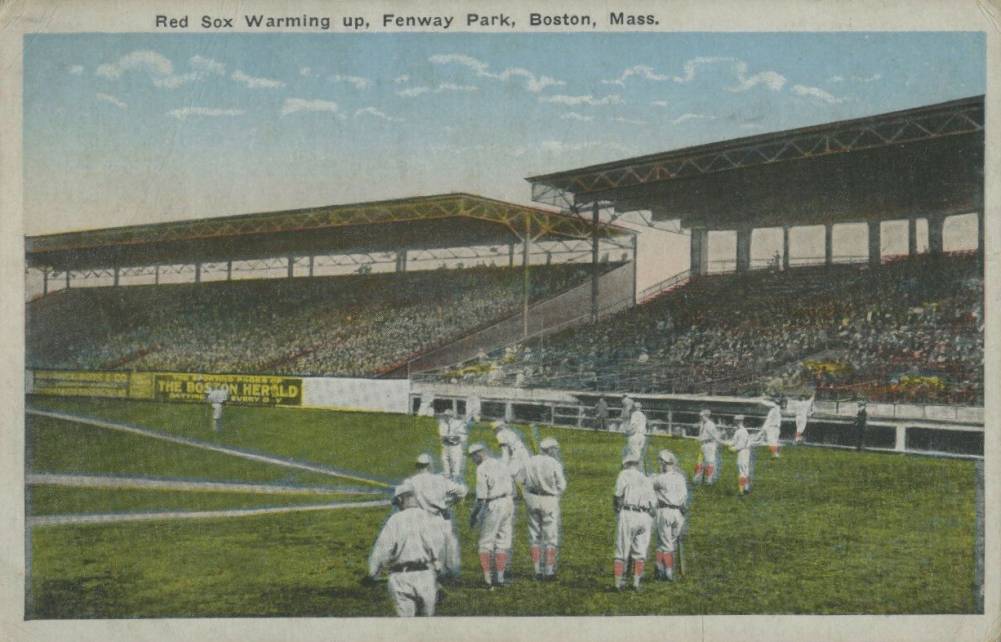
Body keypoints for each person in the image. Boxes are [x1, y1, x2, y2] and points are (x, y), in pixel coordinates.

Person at [365, 481, 444, 617]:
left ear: (401, 499)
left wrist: (372, 574)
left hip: (400, 578)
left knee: (406, 628)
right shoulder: (429, 518)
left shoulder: (395, 520)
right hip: (426, 576)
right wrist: (437, 572)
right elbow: (437, 548)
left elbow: (381, 550)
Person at [405, 453, 467, 579]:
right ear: (429, 465)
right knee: (448, 546)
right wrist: (455, 500)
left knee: (427, 549)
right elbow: (462, 490)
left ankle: (433, 574)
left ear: (417, 466)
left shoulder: (411, 482)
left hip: (423, 519)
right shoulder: (440, 480)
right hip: (442, 517)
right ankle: (449, 574)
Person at [468, 442, 515, 588]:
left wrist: (473, 515)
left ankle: (487, 580)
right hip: (508, 502)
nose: (472, 460)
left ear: (479, 454)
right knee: (503, 541)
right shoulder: (500, 463)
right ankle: (500, 579)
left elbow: (481, 498)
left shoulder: (481, 468)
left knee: (485, 542)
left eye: (472, 457)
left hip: (494, 504)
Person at [522, 437, 567, 581]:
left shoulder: (530, 461)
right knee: (550, 538)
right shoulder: (554, 463)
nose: (557, 451)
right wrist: (555, 493)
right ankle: (548, 571)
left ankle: (537, 570)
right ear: (551, 449)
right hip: (549, 499)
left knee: (534, 535)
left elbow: (522, 480)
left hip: (532, 499)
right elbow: (562, 485)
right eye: (555, 448)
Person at [612, 454, 656, 591]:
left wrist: (617, 510)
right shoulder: (646, 478)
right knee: (640, 552)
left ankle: (618, 583)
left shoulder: (624, 474)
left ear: (626, 464)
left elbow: (617, 495)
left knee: (621, 551)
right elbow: (653, 504)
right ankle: (636, 583)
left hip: (628, 513)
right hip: (645, 516)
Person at [650, 450, 688, 581]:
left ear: (664, 463)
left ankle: (668, 573)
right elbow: (684, 497)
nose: (659, 464)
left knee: (666, 544)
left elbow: (648, 487)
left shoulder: (659, 478)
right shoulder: (680, 477)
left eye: (661, 462)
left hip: (664, 512)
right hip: (678, 513)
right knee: (666, 541)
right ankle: (659, 567)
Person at [727, 415, 762, 496]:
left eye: (735, 421)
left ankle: (742, 490)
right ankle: (745, 489)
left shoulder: (742, 431)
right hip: (744, 452)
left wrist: (733, 449)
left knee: (742, 471)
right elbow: (734, 441)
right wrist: (728, 444)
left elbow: (741, 444)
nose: (734, 422)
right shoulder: (739, 431)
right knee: (745, 471)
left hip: (743, 452)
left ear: (738, 421)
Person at [493, 420, 531, 485]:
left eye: (494, 429)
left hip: (516, 455)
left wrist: (504, 463)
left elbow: (505, 451)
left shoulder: (500, 434)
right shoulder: (511, 432)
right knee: (526, 473)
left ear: (498, 428)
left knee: (510, 473)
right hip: (524, 452)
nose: (494, 431)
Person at [693, 409, 723, 485]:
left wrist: (703, 438)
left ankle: (709, 480)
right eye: (700, 416)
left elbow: (715, 436)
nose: (700, 417)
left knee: (710, 463)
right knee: (699, 462)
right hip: (703, 445)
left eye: (701, 416)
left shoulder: (710, 424)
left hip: (709, 445)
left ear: (706, 416)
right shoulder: (703, 424)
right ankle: (697, 479)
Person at [437, 409, 467, 482]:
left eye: (447, 416)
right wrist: (448, 437)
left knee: (455, 463)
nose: (445, 417)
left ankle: (455, 482)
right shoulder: (442, 424)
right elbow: (441, 435)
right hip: (445, 446)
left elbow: (463, 437)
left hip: (455, 447)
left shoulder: (458, 424)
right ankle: (447, 481)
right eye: (445, 416)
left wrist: (456, 437)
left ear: (451, 416)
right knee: (445, 461)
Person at [623, 402, 648, 466]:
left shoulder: (634, 414)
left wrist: (627, 432)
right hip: (643, 436)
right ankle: (640, 469)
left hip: (635, 435)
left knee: (634, 455)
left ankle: (635, 470)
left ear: (634, 408)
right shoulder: (643, 415)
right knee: (639, 454)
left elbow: (634, 426)